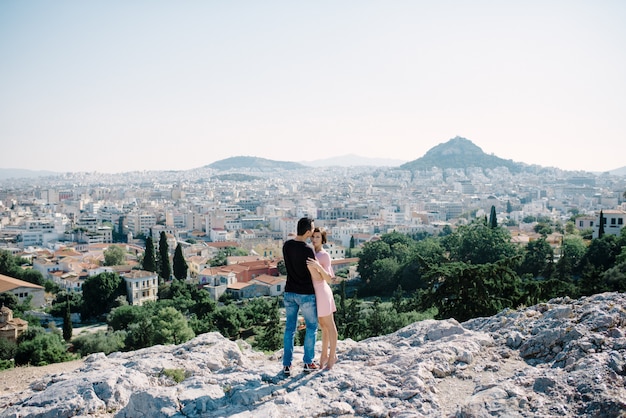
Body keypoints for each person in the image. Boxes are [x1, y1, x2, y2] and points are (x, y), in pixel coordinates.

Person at [282, 217, 318, 375]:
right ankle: (308, 362)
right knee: (311, 327)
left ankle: (287, 365)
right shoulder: (308, 250)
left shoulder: (287, 246)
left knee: (289, 329)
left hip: (289, 291)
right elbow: (313, 273)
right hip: (305, 293)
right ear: (308, 232)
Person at [306, 227, 338, 370]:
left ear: (323, 239)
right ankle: (324, 355)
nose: (314, 239)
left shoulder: (324, 255)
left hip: (323, 292)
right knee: (323, 327)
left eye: (318, 237)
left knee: (330, 325)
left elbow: (330, 279)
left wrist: (318, 266)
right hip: (314, 293)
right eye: (313, 236)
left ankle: (332, 356)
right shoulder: (311, 252)